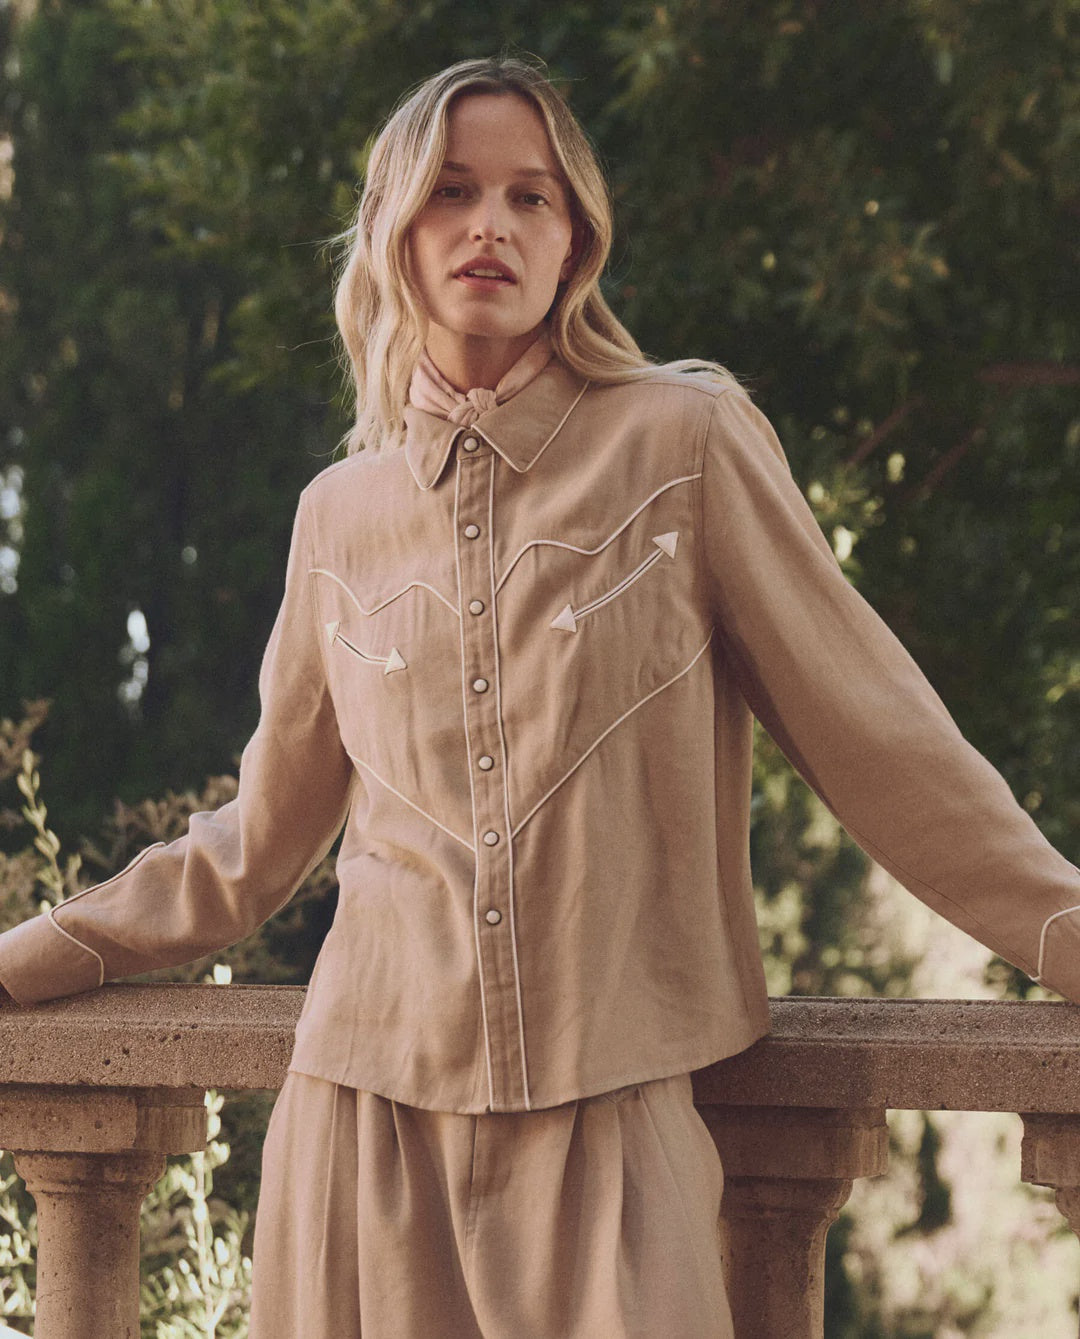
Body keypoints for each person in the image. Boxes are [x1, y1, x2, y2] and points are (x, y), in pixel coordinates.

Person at [1, 53, 1078, 1339]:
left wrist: (1060, 927)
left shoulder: (685, 444)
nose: (490, 226)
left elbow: (882, 740)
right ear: (397, 227)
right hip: (363, 1132)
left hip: (612, 1119)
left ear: (576, 242)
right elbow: (256, 846)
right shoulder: (337, 518)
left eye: (531, 197)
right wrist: (33, 957)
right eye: (453, 191)